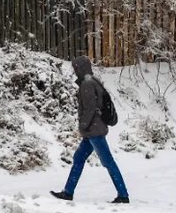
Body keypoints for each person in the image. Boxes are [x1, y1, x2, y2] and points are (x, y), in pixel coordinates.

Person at [51, 55, 129, 203]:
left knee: (108, 162)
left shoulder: (87, 84)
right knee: (78, 158)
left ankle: (123, 195)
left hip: (94, 131)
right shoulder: (94, 81)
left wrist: (82, 126)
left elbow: (89, 109)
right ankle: (68, 192)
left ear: (80, 68)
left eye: (75, 68)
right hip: (93, 130)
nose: (74, 71)